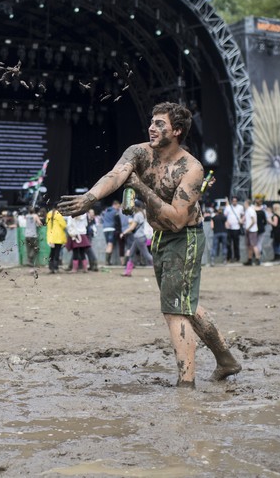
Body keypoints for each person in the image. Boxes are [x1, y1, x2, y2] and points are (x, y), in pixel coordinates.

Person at [58, 102, 241, 388]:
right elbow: (116, 176)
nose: (152, 128)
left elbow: (178, 219)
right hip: (160, 237)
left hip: (185, 237)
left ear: (177, 131)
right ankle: (227, 361)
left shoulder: (191, 168)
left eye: (160, 124)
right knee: (186, 305)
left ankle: (186, 384)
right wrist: (89, 198)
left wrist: (140, 189)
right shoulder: (139, 152)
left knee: (175, 310)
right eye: (152, 122)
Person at [120, 200, 152, 276]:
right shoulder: (143, 213)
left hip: (139, 237)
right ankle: (128, 272)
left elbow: (132, 227)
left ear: (136, 207)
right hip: (140, 237)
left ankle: (159, 268)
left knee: (147, 255)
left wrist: (124, 233)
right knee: (131, 253)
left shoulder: (137, 215)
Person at [45, 206, 67, 274]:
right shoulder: (59, 215)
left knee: (52, 252)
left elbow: (46, 222)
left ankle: (50, 267)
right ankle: (55, 267)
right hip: (58, 237)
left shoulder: (49, 214)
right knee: (57, 252)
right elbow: (64, 225)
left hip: (51, 237)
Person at [224, 196, 244, 263]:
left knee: (236, 244)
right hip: (229, 228)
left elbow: (243, 215)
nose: (234, 202)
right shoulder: (228, 207)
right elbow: (225, 216)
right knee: (229, 244)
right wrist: (226, 223)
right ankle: (229, 257)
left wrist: (241, 220)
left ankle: (237, 257)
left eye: (235, 201)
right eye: (233, 201)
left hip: (237, 228)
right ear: (231, 201)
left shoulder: (240, 207)